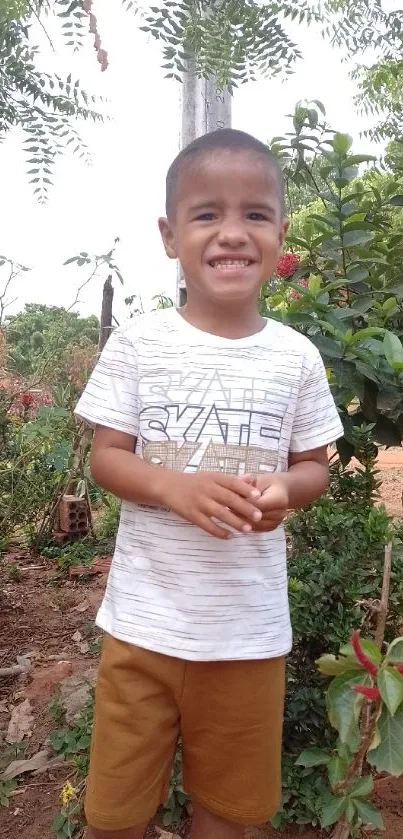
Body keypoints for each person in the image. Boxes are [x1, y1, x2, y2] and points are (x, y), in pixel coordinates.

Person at [75, 128, 343, 839]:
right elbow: (108, 455)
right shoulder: (139, 341)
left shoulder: (295, 357)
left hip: (247, 638)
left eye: (254, 213)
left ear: (280, 235)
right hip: (142, 628)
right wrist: (175, 488)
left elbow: (315, 464)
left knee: (229, 813)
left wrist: (286, 488)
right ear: (170, 235)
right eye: (206, 214)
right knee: (113, 815)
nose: (231, 232)